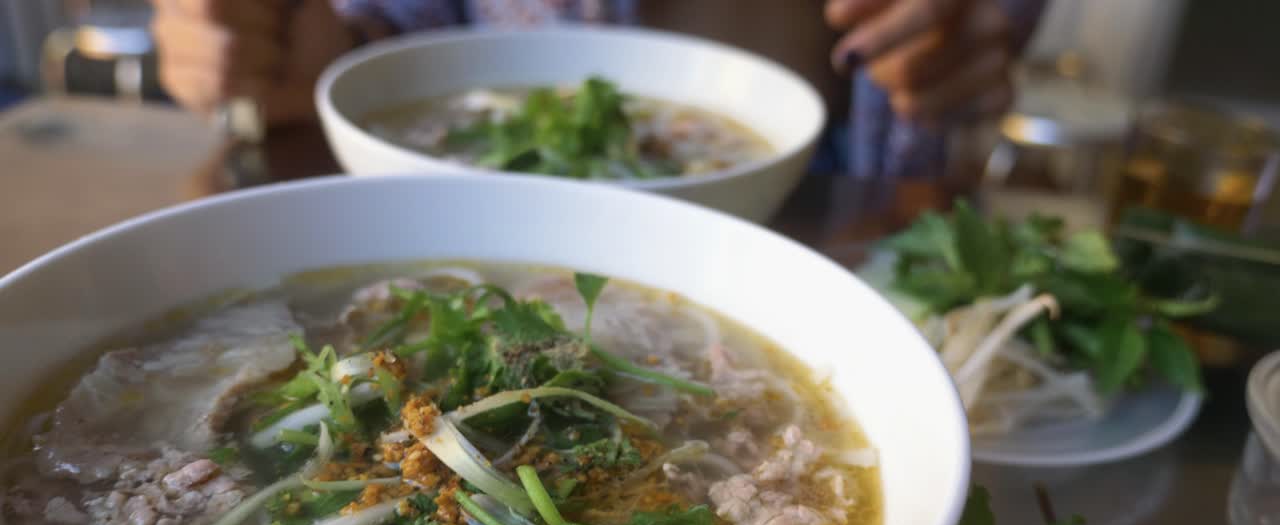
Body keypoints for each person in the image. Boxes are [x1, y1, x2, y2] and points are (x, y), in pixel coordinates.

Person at [149, 0, 1046, 178]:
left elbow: (964, 53)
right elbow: (394, 27)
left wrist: (955, 51)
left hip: (808, 226)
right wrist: (318, 55)